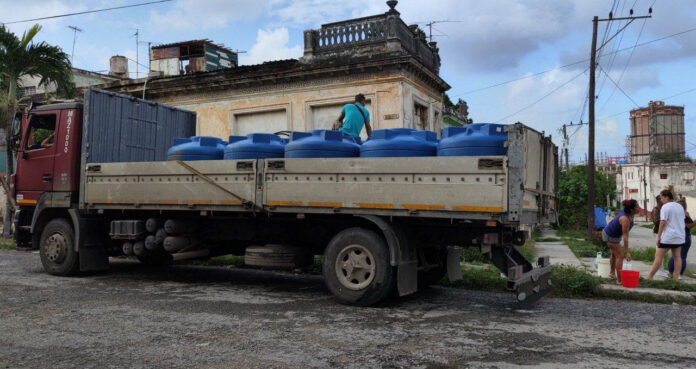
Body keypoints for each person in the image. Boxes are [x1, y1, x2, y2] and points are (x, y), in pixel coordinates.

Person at [647, 189, 685, 282]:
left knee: (659, 256)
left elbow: (662, 222)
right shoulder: (680, 206)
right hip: (679, 236)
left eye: (661, 197)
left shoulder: (665, 207)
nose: (661, 200)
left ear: (666, 197)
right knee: (677, 256)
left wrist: (659, 237)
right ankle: (676, 279)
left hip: (668, 236)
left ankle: (650, 277)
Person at [602, 199, 639, 283]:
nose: (639, 208)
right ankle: (620, 280)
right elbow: (625, 238)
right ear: (632, 209)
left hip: (614, 235)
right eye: (637, 206)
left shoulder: (630, 214)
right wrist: (627, 252)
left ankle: (612, 273)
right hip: (609, 235)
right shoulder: (625, 219)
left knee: (614, 254)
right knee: (620, 256)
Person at [668, 198, 694, 277]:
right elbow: (689, 225)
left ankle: (671, 271)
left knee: (675, 255)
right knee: (682, 256)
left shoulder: (675, 214)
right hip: (684, 236)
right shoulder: (683, 214)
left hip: (676, 235)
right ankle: (679, 273)